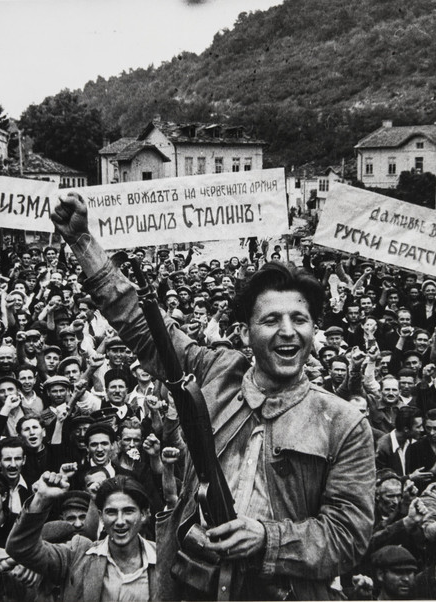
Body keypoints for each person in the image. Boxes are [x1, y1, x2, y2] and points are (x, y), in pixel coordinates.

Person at [49, 192, 376, 600]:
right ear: (244, 333)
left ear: (314, 331)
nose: (288, 331)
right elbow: (142, 324)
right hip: (190, 586)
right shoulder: (215, 370)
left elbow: (348, 536)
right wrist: (83, 244)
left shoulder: (343, 423)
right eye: (271, 319)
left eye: (300, 319)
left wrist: (267, 539)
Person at [6, 474, 156, 601]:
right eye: (111, 512)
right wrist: (41, 500)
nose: (120, 521)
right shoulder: (78, 554)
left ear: (143, 514)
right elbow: (20, 548)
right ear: (101, 516)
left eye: (128, 511)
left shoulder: (161, 557)